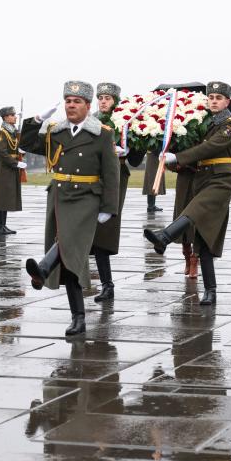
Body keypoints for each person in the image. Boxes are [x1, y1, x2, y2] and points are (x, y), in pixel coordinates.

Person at [19, 80, 120, 336]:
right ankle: (77, 316)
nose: (71, 105)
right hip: (60, 196)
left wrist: (109, 207)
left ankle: (43, 269)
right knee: (70, 259)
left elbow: (112, 172)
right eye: (68, 101)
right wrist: (35, 120)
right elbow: (26, 145)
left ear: (88, 105)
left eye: (76, 102)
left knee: (69, 246)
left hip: (86, 199)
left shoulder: (102, 133)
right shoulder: (56, 131)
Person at [143, 81, 231, 305]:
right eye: (211, 97)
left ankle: (165, 237)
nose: (213, 101)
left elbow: (209, 148)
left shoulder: (229, 125)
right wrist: (170, 154)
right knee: (203, 239)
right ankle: (210, 291)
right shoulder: (202, 124)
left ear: (227, 102)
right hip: (202, 179)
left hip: (221, 180)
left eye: (218, 98)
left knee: (194, 210)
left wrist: (180, 157)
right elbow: (193, 153)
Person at [91, 82, 144, 301]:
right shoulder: (90, 120)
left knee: (105, 228)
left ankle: (107, 284)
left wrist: (131, 147)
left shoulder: (125, 121)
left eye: (108, 98)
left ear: (116, 101)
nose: (103, 101)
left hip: (114, 178)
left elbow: (135, 160)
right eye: (100, 97)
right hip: (90, 178)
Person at [0, 106, 26, 235]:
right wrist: (16, 163)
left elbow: (14, 148)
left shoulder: (13, 132)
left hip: (11, 169)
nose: (15, 117)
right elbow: (2, 153)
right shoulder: (1, 133)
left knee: (5, 198)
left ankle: (3, 226)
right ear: (6, 117)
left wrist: (21, 152)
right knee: (0, 198)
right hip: (4, 169)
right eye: (12, 115)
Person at [171, 162, 198, 278]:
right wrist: (175, 165)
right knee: (182, 217)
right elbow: (169, 155)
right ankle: (187, 256)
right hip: (184, 177)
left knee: (198, 219)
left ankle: (194, 259)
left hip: (200, 176)